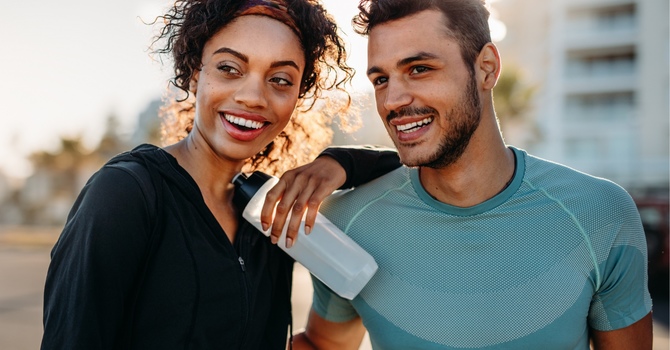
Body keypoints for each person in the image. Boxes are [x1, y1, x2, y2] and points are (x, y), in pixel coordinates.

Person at [262, 0, 654, 348]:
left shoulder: (599, 214)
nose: (393, 100)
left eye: (419, 68)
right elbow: (323, 344)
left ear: (486, 68)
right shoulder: (347, 222)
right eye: (381, 79)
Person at [40, 0, 398, 348]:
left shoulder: (267, 215)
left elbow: (413, 167)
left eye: (280, 79)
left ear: (298, 97)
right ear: (196, 75)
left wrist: (339, 163)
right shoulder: (126, 193)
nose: (253, 96)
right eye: (229, 68)